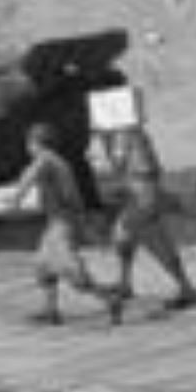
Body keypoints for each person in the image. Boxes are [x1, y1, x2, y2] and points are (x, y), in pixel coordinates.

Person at [24, 121, 127, 327]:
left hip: (63, 223)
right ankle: (50, 310)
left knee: (72, 271)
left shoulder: (46, 160)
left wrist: (14, 197)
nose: (28, 147)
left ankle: (110, 298)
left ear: (36, 143)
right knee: (43, 266)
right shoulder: (57, 161)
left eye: (29, 143)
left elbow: (29, 176)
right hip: (58, 222)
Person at [102, 122, 196, 311]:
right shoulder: (134, 133)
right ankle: (125, 283)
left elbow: (119, 164)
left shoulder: (126, 135)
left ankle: (187, 289)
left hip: (143, 195)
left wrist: (105, 141)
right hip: (142, 191)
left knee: (156, 241)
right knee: (122, 237)